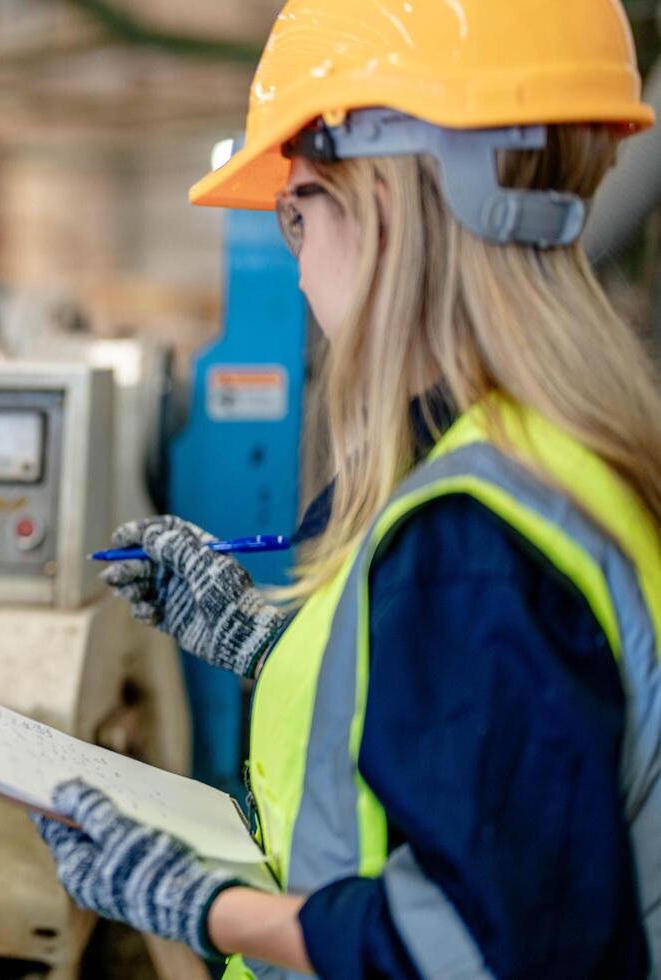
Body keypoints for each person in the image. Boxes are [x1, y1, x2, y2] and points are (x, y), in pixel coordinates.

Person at [33, 1, 661, 976]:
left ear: (388, 198)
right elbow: (472, 741)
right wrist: (259, 640)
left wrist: (210, 904)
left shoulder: (474, 540)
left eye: (296, 206)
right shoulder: (547, 457)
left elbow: (485, 946)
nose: (297, 253)